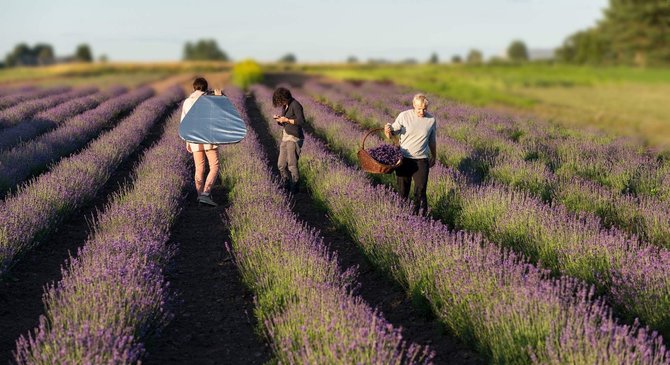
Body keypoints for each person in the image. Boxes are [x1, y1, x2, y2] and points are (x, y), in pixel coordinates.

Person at [384, 93, 436, 215]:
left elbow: (432, 140)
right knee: (403, 191)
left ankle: (420, 219)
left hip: (422, 160)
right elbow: (392, 133)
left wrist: (434, 156)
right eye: (419, 109)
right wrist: (387, 130)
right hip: (404, 159)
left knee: (421, 191)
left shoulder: (431, 120)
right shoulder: (404, 116)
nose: (422, 112)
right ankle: (401, 216)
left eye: (424, 109)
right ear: (413, 105)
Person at [180, 77, 222, 206]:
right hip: (208, 137)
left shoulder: (187, 101)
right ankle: (206, 194)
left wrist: (187, 140)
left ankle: (200, 197)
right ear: (206, 88)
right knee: (214, 166)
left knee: (199, 168)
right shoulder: (209, 99)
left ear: (194, 88)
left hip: (193, 138)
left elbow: (184, 122)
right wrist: (219, 98)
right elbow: (219, 115)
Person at [272, 87, 305, 194]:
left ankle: (295, 186)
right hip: (285, 136)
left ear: (284, 98)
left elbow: (301, 121)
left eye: (280, 100)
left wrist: (286, 119)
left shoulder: (295, 105)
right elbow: (285, 122)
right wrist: (279, 120)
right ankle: (285, 183)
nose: (279, 103)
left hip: (294, 138)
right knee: (281, 164)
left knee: (292, 164)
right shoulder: (285, 106)